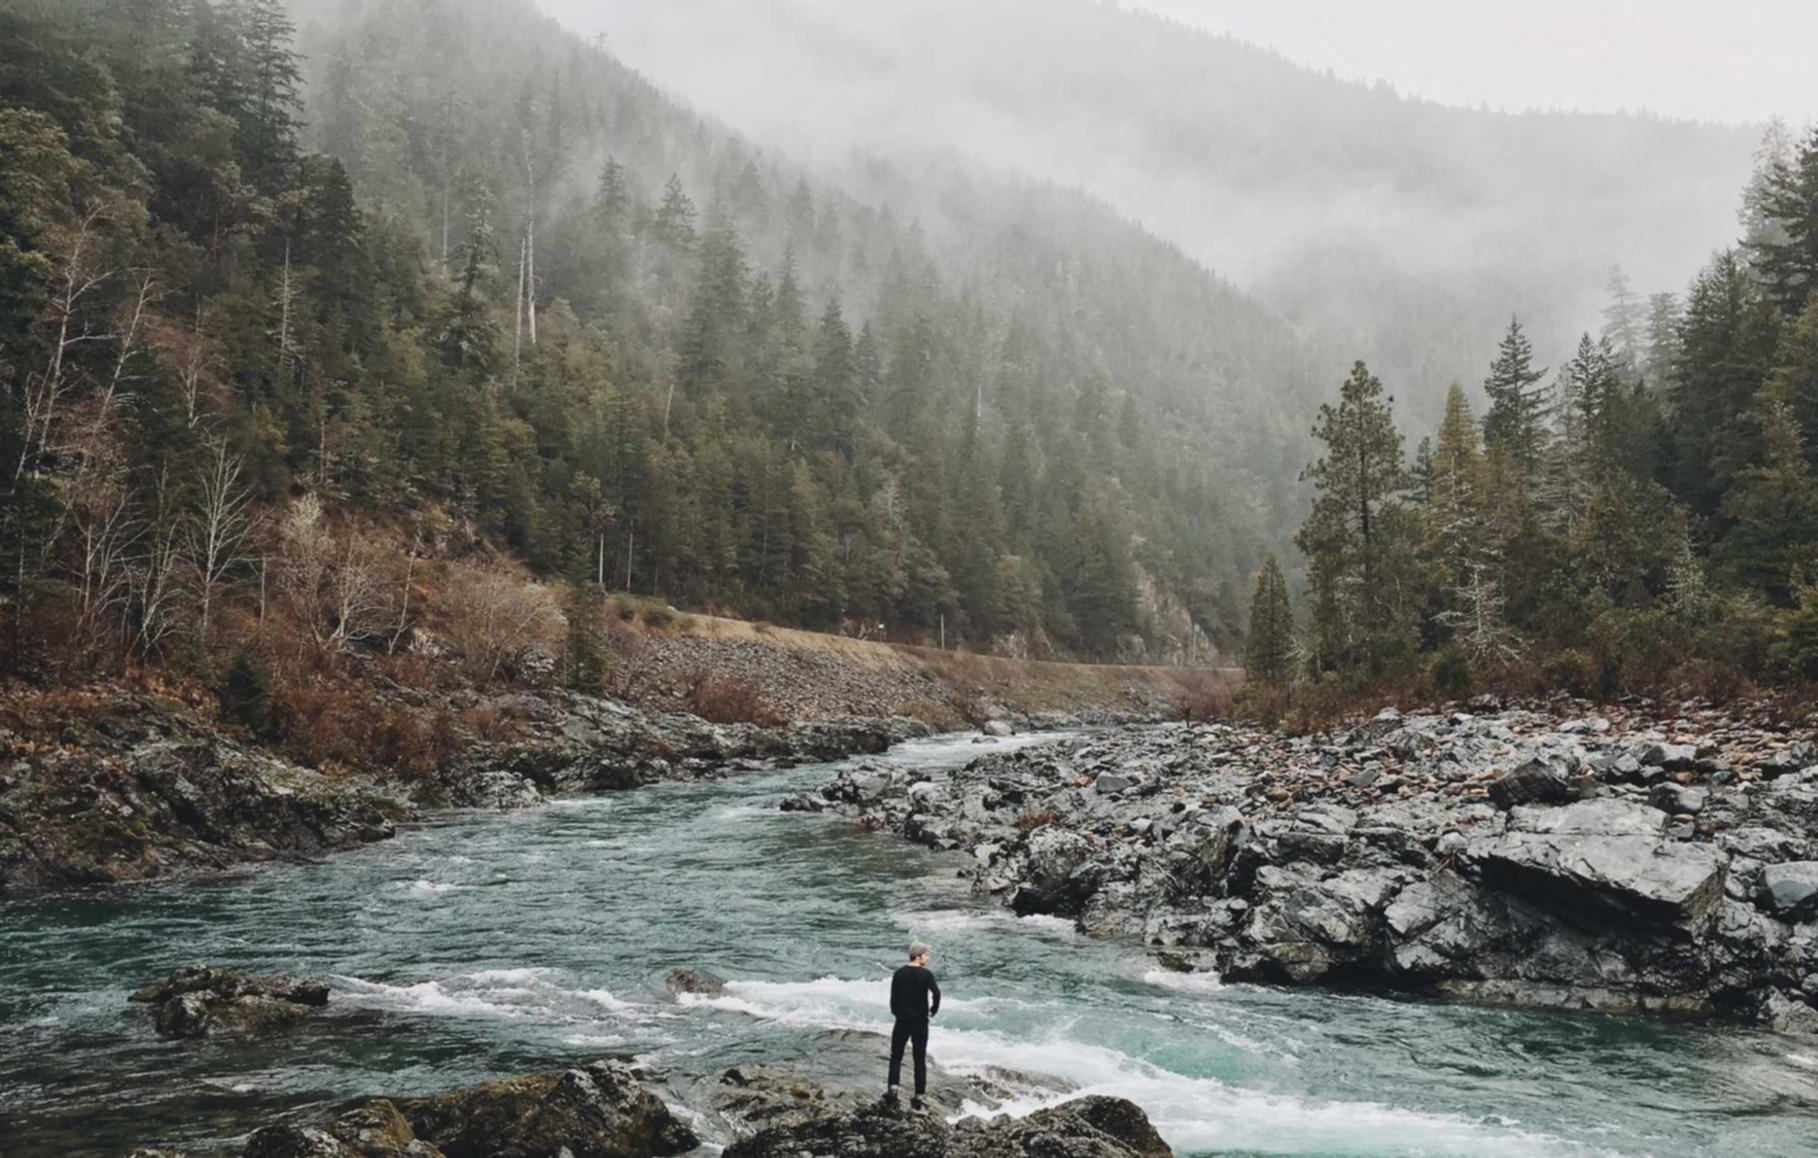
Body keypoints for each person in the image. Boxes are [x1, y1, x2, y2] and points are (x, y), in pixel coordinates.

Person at [885, 941, 941, 1110]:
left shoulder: (899, 974)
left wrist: (897, 1013)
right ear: (918, 956)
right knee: (919, 1059)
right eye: (926, 955)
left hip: (902, 1021)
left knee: (896, 1055)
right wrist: (933, 1010)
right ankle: (919, 1096)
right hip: (920, 1022)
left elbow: (893, 999)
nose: (928, 958)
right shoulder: (927, 975)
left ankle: (893, 1089)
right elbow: (936, 994)